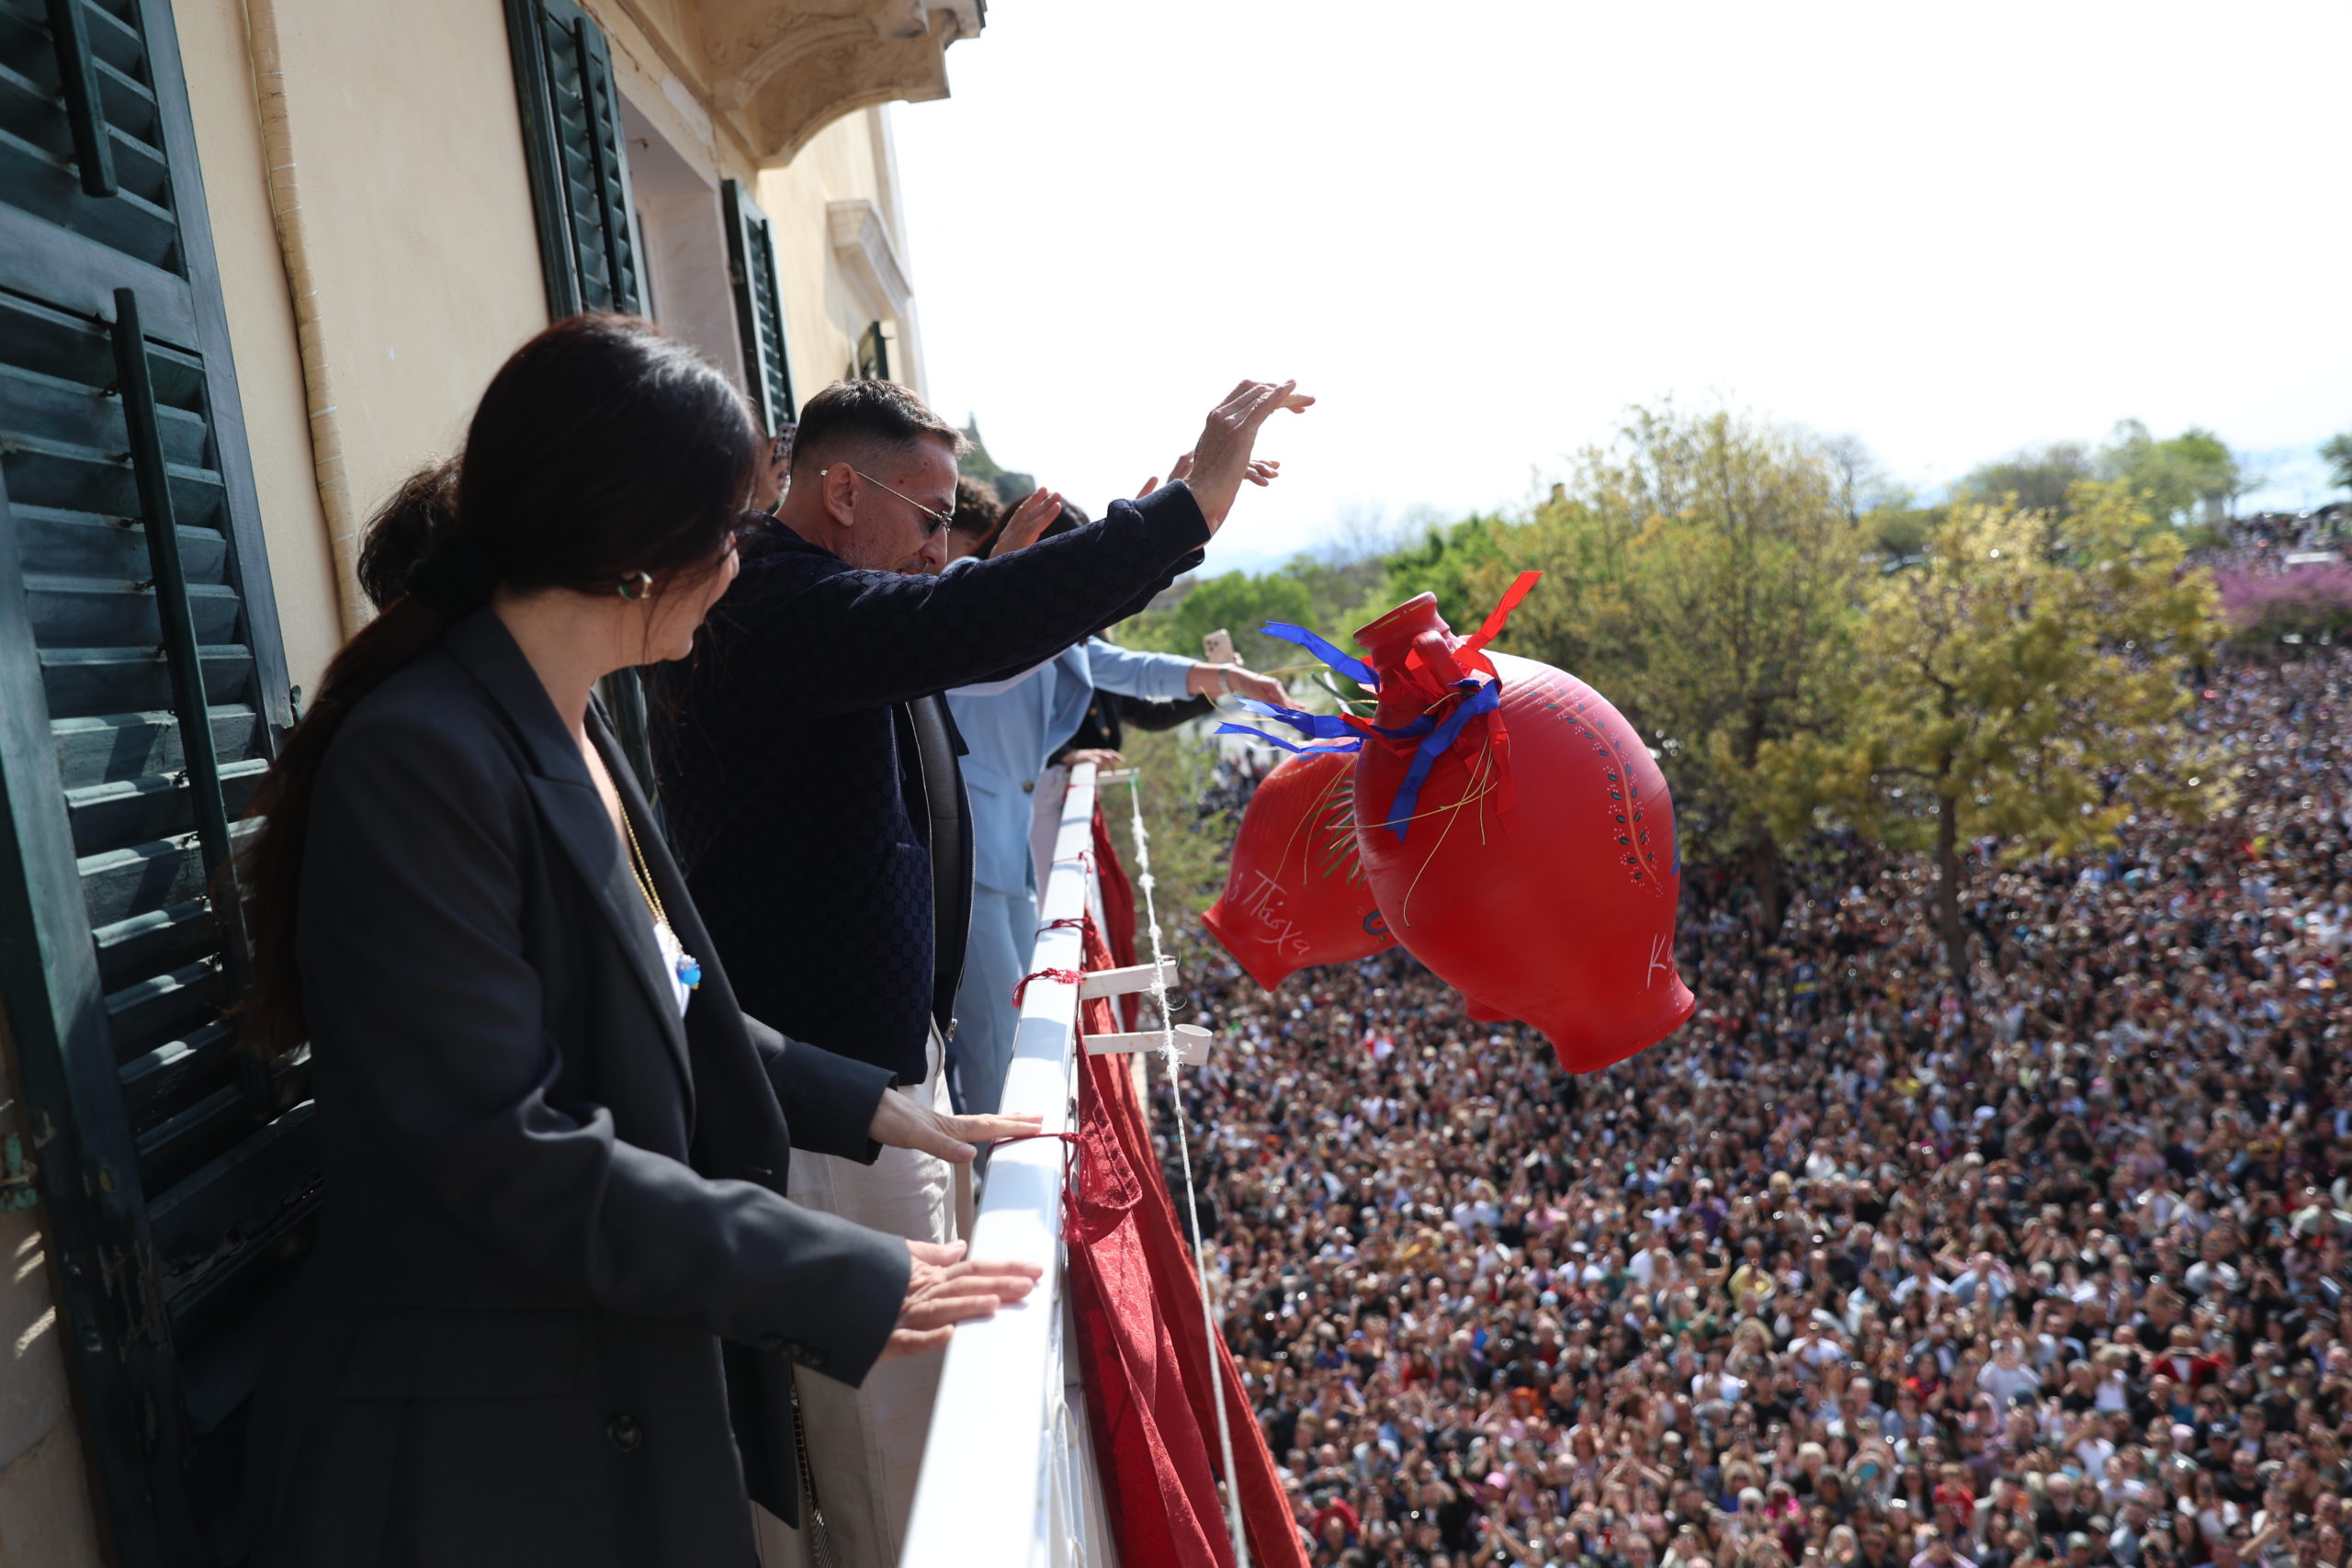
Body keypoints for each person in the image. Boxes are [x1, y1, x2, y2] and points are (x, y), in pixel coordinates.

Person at [237, 315, 1040, 1568]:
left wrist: (872, 1105)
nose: (742, 562)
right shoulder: (422, 756)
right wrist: (838, 1273)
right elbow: (502, 1140)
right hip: (486, 1448)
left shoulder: (569, 724)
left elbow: (665, 989)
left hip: (600, 1381)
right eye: (730, 530)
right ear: (635, 548)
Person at [654, 372, 1310, 1565]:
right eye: (929, 514)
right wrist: (1182, 513)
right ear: (841, 491)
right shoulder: (779, 609)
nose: (942, 546)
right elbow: (969, 619)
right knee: (900, 1479)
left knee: (916, 1428)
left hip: (884, 1087)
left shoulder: (828, 592)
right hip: (830, 1124)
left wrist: (1152, 525)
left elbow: (976, 606)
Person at [939, 494, 1289, 1115]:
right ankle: (1007, 1181)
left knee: (1027, 1009)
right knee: (996, 1039)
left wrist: (1228, 679)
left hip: (1007, 852)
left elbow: (1128, 670)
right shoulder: (969, 613)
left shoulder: (1052, 627)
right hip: (964, 859)